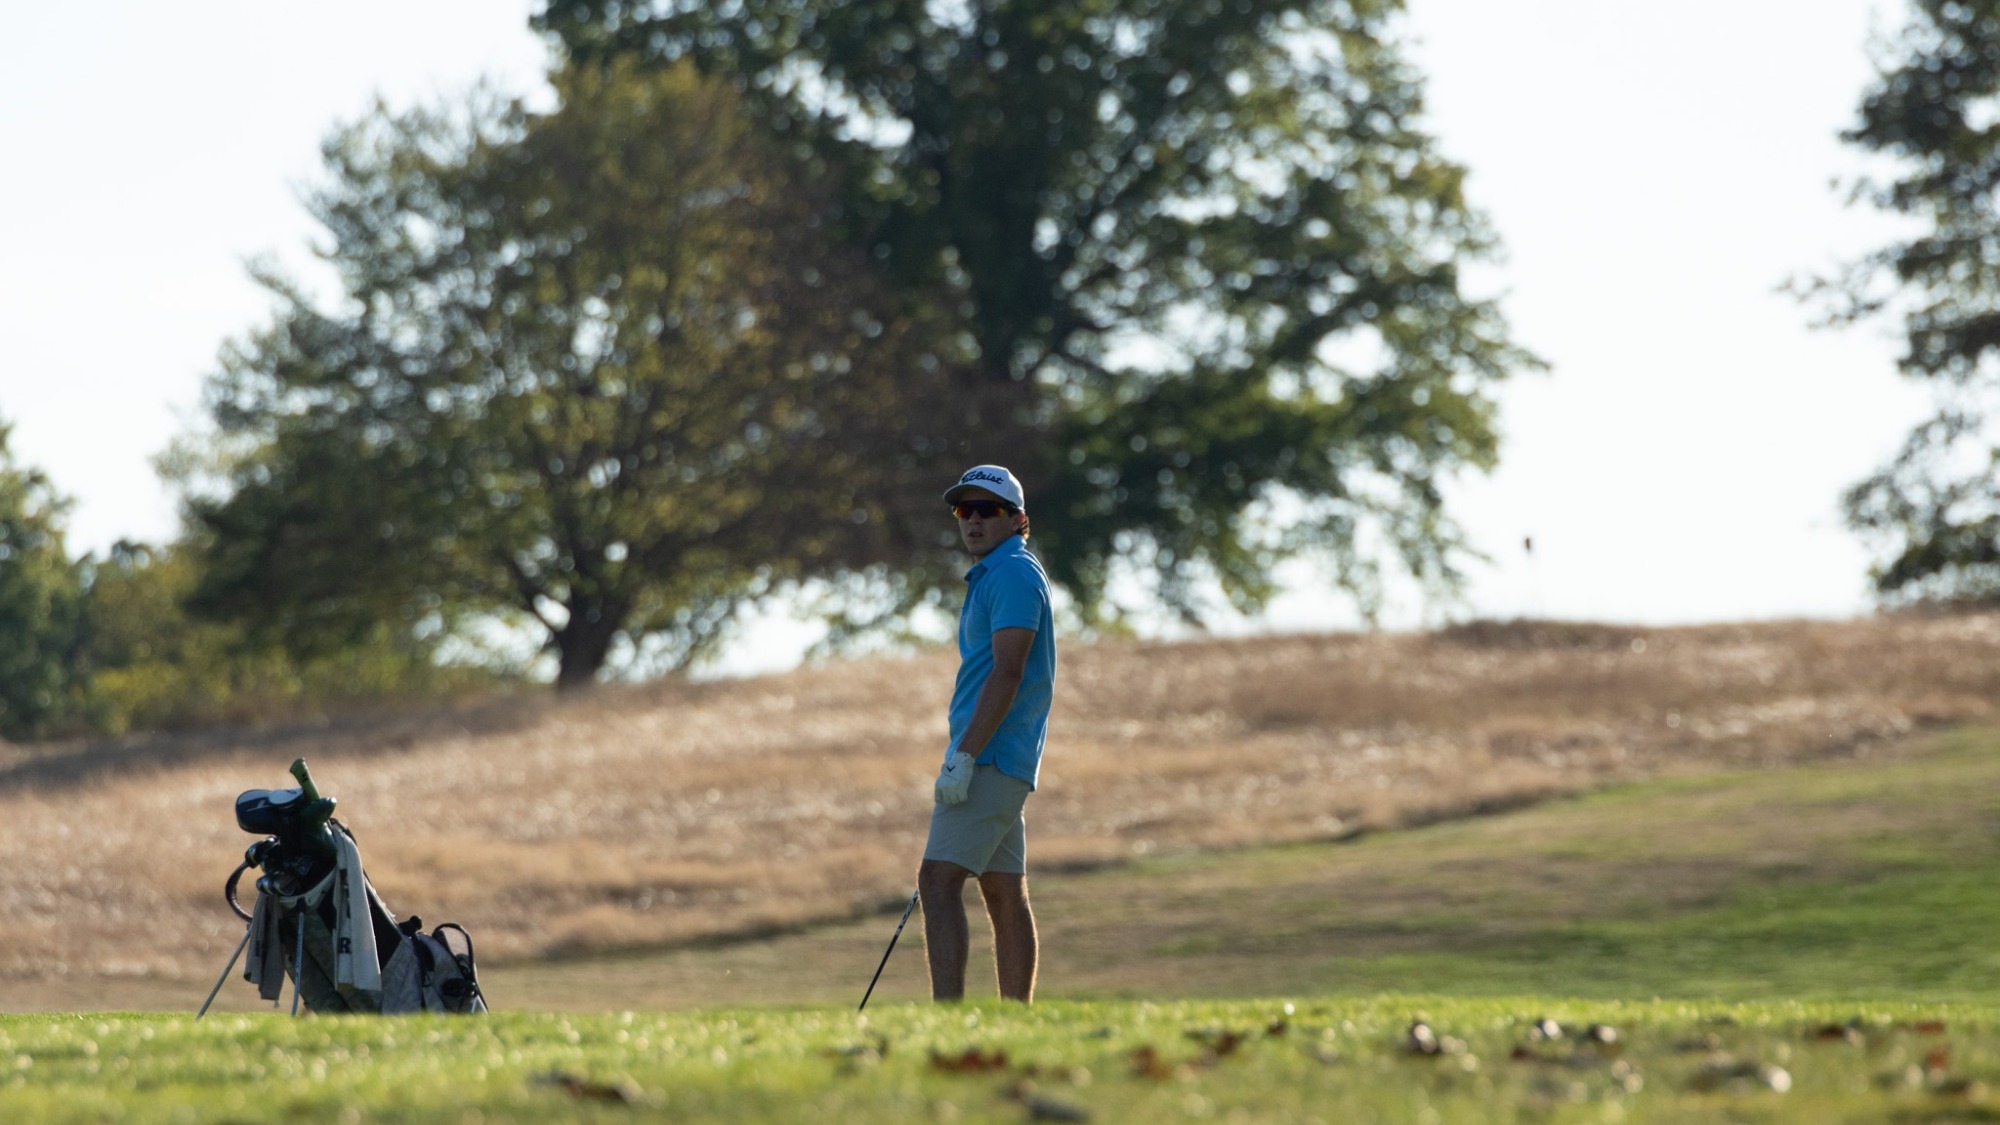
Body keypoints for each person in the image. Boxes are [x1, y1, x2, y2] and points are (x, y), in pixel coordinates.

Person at [920, 464, 1057, 1003]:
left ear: (1018, 519)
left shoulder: (1014, 575)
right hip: (996, 755)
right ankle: (1015, 1018)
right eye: (965, 510)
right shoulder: (997, 575)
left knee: (937, 881)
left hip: (992, 756)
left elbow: (1009, 671)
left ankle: (949, 1018)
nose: (974, 521)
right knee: (1002, 892)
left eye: (989, 510)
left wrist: (966, 755)